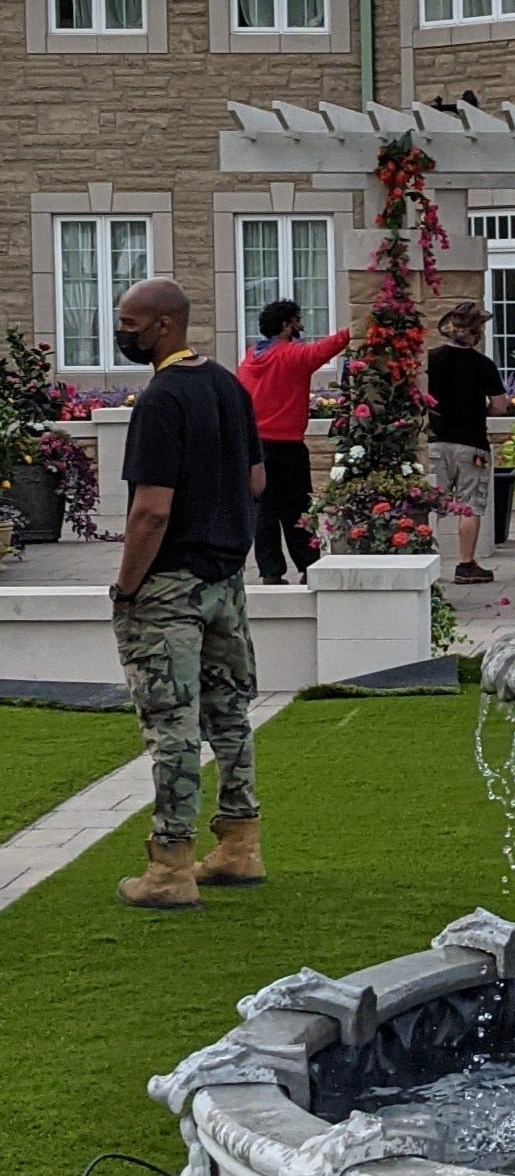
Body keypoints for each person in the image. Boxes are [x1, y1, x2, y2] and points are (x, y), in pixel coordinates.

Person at [108, 276, 267, 908]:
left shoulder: (161, 399)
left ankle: (170, 866)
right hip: (225, 581)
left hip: (169, 586)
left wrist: (127, 587)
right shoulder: (228, 385)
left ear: (165, 325)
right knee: (229, 716)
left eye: (130, 323)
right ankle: (239, 845)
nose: (124, 333)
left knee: (171, 723)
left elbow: (150, 510)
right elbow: (255, 480)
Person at [236, 297, 351, 583]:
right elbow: (327, 348)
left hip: (256, 448)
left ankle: (271, 572)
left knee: (263, 512)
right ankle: (308, 566)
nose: (302, 325)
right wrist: (359, 326)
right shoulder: (292, 356)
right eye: (297, 320)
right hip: (287, 447)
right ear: (286, 326)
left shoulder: (251, 358)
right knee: (297, 510)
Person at [427, 301, 508, 586]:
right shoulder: (483, 365)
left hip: (436, 441)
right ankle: (465, 564)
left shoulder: (431, 359)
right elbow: (500, 405)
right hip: (472, 443)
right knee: (469, 505)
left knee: (427, 503)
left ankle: (421, 557)